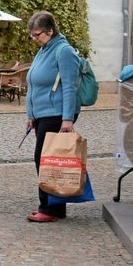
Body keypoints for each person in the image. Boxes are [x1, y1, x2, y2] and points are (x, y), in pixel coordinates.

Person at [25, 11, 81, 223]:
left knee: (47, 160)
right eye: (32, 35)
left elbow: (69, 86)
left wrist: (67, 119)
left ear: (50, 31)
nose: (34, 39)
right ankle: (52, 207)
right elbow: (34, 82)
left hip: (56, 113)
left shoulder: (63, 51)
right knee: (46, 159)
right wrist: (30, 114)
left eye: (37, 34)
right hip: (42, 113)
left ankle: (51, 208)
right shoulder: (44, 49)